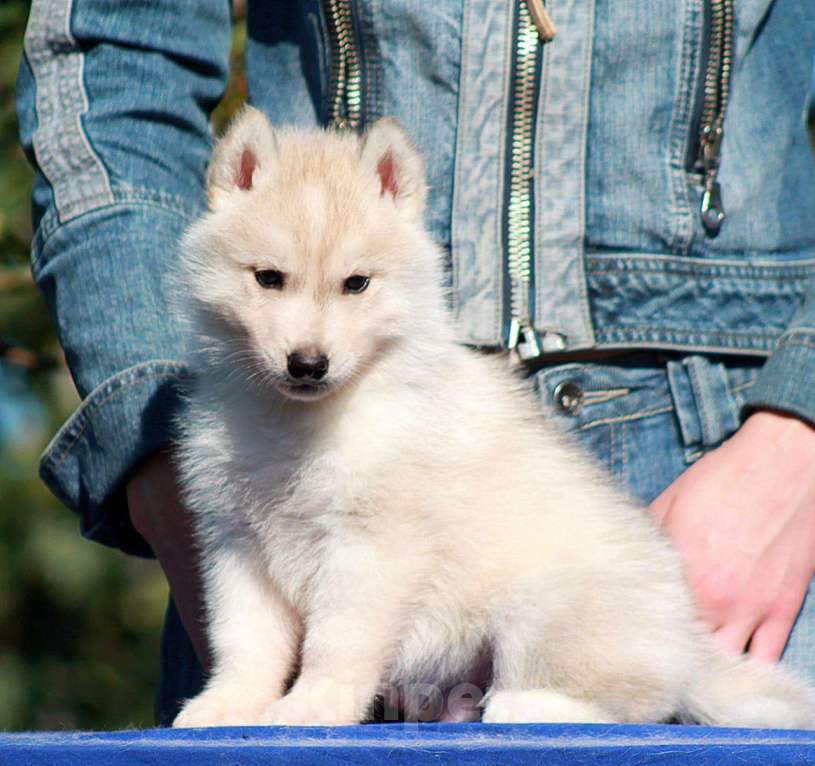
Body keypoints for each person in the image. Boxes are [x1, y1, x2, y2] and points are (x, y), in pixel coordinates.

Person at [17, 0, 815, 726]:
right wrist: (141, 427)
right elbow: (112, 58)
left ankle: (603, 691)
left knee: (586, 631)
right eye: (270, 280)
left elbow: (373, 539)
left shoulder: (400, 409)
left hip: (745, 466)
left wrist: (802, 424)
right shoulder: (222, 404)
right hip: (357, 670)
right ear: (238, 180)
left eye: (353, 286)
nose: (307, 342)